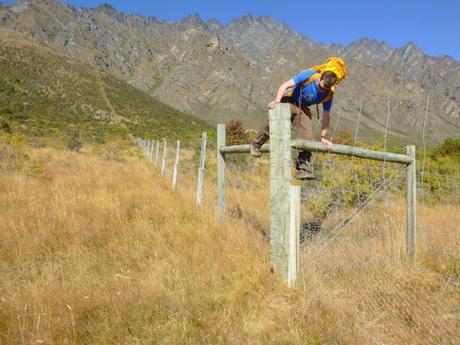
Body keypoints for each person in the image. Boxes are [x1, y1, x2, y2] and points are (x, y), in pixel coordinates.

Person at [250, 60, 344, 180]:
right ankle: (255, 144)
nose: (321, 90)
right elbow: (284, 85)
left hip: (302, 107)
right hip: (289, 99)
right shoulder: (309, 75)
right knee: (274, 121)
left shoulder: (328, 94)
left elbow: (326, 115)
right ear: (320, 77)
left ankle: (303, 169)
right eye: (320, 87)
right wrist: (277, 101)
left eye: (324, 89)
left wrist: (324, 137)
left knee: (307, 136)